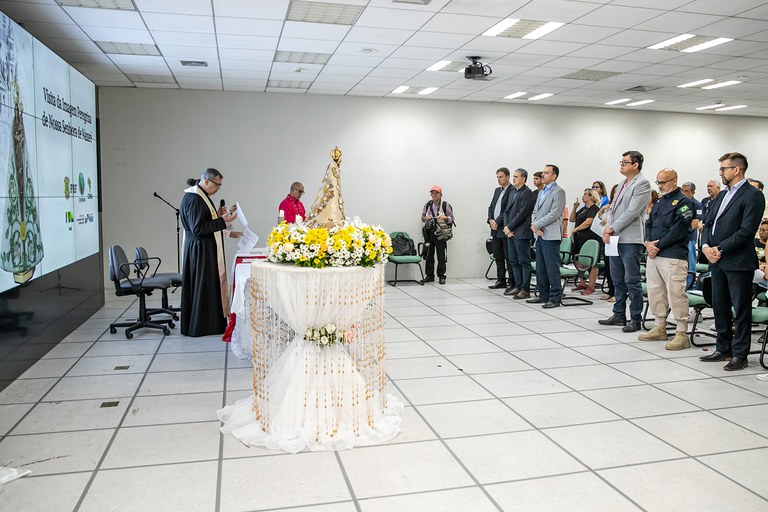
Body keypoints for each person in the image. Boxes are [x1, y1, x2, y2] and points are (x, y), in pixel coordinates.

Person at [700, 152, 765, 371]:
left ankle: (740, 354)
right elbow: (708, 223)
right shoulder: (721, 195)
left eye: (723, 169)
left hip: (738, 261)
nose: (720, 173)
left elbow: (746, 231)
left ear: (737, 169)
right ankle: (723, 347)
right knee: (720, 306)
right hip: (716, 260)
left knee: (741, 308)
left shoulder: (752, 195)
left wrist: (720, 248)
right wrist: (706, 247)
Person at [638, 169, 694, 350]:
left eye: (663, 182)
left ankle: (681, 332)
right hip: (654, 255)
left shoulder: (685, 202)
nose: (660, 186)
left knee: (676, 293)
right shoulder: (660, 201)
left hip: (673, 256)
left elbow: (679, 229)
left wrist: (658, 245)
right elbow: (649, 223)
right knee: (656, 292)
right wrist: (647, 243)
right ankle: (659, 326)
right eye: (658, 183)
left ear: (674, 180)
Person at [180, 169, 238, 337]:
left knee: (209, 286)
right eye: (217, 184)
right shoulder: (194, 198)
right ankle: (201, 326)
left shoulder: (201, 196)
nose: (218, 188)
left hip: (204, 249)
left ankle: (210, 323)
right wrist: (222, 221)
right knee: (203, 286)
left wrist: (220, 217)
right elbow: (198, 228)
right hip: (200, 251)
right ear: (206, 181)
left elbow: (204, 221)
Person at [598, 151, 651, 333]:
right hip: (614, 238)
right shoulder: (621, 184)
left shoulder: (642, 183)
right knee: (617, 278)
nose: (621, 164)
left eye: (625, 162)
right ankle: (619, 313)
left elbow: (632, 211)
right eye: (621, 161)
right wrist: (608, 229)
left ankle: (635, 318)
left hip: (630, 238)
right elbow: (613, 210)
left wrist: (611, 228)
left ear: (635, 165)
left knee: (631, 280)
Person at [526, 164, 566, 308]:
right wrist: (535, 226)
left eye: (546, 173)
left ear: (554, 176)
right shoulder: (542, 191)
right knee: (541, 267)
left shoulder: (559, 192)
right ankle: (543, 295)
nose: (543, 175)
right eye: (543, 172)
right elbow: (535, 211)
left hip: (551, 235)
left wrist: (537, 225)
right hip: (539, 234)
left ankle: (555, 297)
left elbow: (554, 213)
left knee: (552, 268)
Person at [503, 168, 534, 299]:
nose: (513, 179)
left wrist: (509, 227)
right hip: (511, 232)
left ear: (523, 179)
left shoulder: (527, 193)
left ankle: (525, 289)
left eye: (516, 177)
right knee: (513, 260)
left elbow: (522, 214)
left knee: (524, 261)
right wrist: (506, 228)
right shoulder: (512, 192)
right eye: (513, 176)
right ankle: (518, 285)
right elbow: (506, 211)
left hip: (521, 232)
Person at [569, 188, 602, 295]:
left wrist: (576, 229)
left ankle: (591, 285)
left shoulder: (594, 208)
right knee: (577, 259)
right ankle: (582, 282)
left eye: (585, 194)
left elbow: (589, 222)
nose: (583, 196)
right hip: (579, 239)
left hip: (590, 238)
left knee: (592, 263)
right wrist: (574, 208)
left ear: (592, 197)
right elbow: (572, 219)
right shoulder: (583, 209)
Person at [421, 185, 454, 285]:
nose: (434, 195)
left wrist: (444, 217)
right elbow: (422, 217)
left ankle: (441, 276)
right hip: (429, 232)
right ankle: (429, 276)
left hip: (441, 233)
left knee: (441, 255)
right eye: (432, 193)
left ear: (441, 194)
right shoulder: (427, 205)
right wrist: (425, 218)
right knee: (429, 255)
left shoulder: (445, 205)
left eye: (437, 193)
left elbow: (452, 218)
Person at [487, 168, 512, 290]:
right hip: (495, 229)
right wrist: (490, 219)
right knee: (498, 256)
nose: (499, 179)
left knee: (509, 257)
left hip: (505, 228)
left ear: (508, 177)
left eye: (501, 177)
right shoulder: (497, 190)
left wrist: (497, 222)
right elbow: (491, 207)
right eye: (497, 177)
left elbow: (507, 210)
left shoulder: (512, 190)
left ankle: (512, 282)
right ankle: (500, 280)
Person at [597, 184, 619, 302]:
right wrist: (602, 210)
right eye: (614, 192)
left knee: (616, 268)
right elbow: (600, 220)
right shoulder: (609, 206)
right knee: (608, 266)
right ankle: (610, 291)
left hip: (615, 238)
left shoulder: (621, 206)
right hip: (606, 239)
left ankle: (617, 292)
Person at [680, 181, 703, 289]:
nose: (683, 193)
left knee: (690, 264)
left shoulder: (697, 204)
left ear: (692, 192)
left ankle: (689, 285)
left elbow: (695, 223)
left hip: (689, 239)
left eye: (686, 191)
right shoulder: (680, 203)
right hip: (677, 240)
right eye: (682, 190)